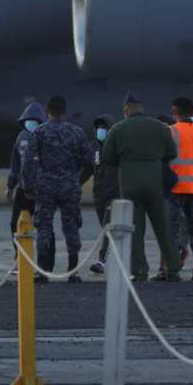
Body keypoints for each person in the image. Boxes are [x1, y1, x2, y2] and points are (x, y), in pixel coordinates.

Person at [101, 93, 181, 282]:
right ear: (141, 108)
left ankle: (139, 271)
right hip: (155, 181)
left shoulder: (118, 128)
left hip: (129, 182)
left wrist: (125, 161)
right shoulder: (160, 127)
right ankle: (173, 268)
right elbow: (172, 152)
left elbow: (107, 157)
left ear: (126, 110)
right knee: (163, 227)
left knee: (136, 230)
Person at [22, 95, 93, 283]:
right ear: (64, 111)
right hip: (70, 186)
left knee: (43, 226)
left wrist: (28, 186)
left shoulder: (39, 132)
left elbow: (28, 161)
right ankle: (73, 271)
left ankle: (43, 271)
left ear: (48, 111)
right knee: (72, 227)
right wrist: (78, 180)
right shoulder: (77, 132)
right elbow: (90, 161)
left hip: (46, 186)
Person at [158, 97, 193, 281]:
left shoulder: (170, 131)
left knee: (171, 231)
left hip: (175, 189)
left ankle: (170, 271)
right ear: (191, 111)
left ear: (174, 111)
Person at [5, 101, 45, 273]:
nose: (31, 123)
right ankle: (19, 258)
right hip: (23, 188)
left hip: (41, 189)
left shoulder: (46, 137)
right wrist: (10, 186)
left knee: (42, 226)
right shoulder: (21, 137)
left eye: (35, 121)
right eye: (28, 121)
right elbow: (15, 164)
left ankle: (42, 264)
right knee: (15, 223)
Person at [83, 114, 120, 275]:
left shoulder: (118, 146)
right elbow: (87, 169)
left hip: (115, 192)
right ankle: (115, 256)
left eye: (104, 127)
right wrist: (75, 184)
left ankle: (102, 260)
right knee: (105, 227)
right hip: (99, 194)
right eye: (98, 127)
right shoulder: (93, 147)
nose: (101, 130)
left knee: (107, 226)